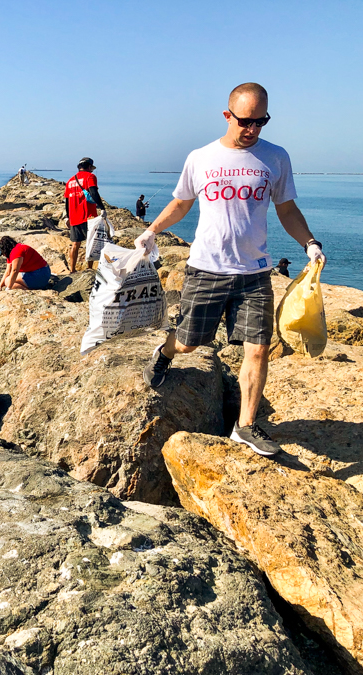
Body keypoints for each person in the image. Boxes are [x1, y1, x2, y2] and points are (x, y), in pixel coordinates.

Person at [138, 82, 326, 457]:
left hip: (255, 273)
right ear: (227, 115)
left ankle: (246, 426)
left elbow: (286, 210)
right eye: (245, 121)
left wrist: (309, 242)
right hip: (206, 269)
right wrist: (151, 231)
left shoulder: (275, 158)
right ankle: (165, 353)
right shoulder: (201, 157)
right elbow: (181, 202)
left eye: (261, 121)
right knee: (190, 342)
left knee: (258, 350)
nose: (253, 129)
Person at [63, 157, 106, 272]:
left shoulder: (70, 181)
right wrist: (102, 207)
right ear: (89, 167)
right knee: (91, 242)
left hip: (74, 216)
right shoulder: (90, 177)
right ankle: (89, 268)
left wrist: (68, 216)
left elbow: (67, 201)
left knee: (75, 244)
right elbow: (93, 192)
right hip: (89, 215)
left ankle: (72, 269)